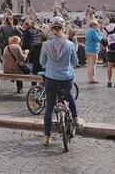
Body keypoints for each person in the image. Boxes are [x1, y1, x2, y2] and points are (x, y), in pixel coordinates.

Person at [39, 16, 81, 146]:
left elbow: (42, 62)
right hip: (66, 78)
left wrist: (49, 64)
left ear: (51, 30)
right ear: (63, 29)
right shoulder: (69, 44)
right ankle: (76, 117)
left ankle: (47, 136)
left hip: (51, 79)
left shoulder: (46, 45)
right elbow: (75, 62)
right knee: (69, 94)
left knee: (49, 107)